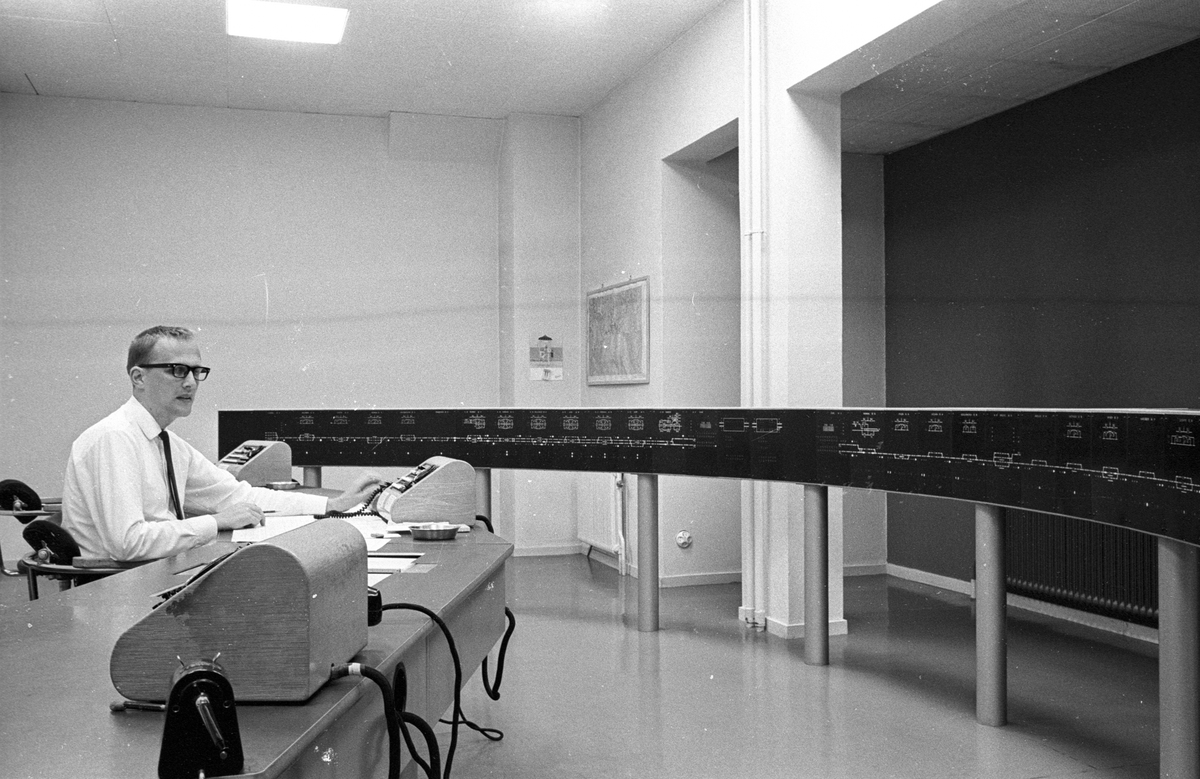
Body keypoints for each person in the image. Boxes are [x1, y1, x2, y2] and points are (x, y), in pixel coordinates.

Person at [62, 325, 386, 561]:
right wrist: (215, 522)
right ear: (138, 377)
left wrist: (332, 505)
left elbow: (239, 497)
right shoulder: (115, 438)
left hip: (153, 576)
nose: (191, 383)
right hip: (116, 588)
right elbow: (128, 543)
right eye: (177, 370)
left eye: (196, 371)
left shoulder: (168, 443)